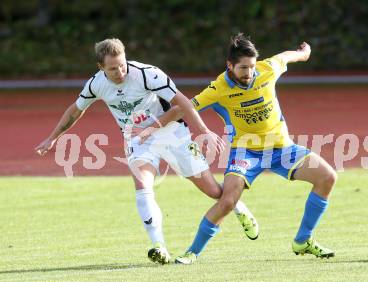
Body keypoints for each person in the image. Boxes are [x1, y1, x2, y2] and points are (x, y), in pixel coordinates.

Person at [35, 38, 259, 265]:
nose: (120, 71)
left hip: (172, 133)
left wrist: (204, 130)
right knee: (143, 184)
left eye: (122, 65)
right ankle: (159, 246)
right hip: (137, 139)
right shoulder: (96, 84)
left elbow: (181, 102)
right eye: (112, 68)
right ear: (100, 68)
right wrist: (53, 138)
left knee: (212, 191)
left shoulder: (146, 74)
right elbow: (75, 110)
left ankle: (236, 205)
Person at [172, 33, 337, 264]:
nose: (249, 74)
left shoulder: (267, 69)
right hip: (246, 152)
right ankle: (192, 252)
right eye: (242, 68)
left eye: (251, 67)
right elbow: (188, 106)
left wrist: (303, 54)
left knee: (327, 177)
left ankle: (303, 240)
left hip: (282, 148)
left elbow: (286, 57)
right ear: (229, 66)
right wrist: (157, 124)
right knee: (228, 201)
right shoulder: (219, 87)